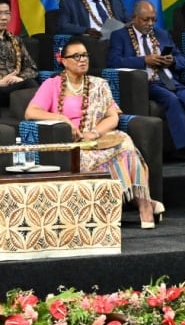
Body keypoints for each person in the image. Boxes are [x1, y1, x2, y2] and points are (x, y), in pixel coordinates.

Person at [25, 38, 163, 229]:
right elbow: (31, 112)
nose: (82, 60)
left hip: (96, 139)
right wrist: (61, 119)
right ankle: (142, 203)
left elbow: (112, 117)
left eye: (85, 55)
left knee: (125, 143)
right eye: (76, 56)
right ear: (63, 61)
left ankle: (144, 204)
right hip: (72, 143)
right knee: (111, 154)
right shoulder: (52, 84)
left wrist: (95, 133)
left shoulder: (99, 84)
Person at [107, 0, 185, 154]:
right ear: (135, 18)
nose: (150, 23)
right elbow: (113, 62)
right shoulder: (120, 36)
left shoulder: (162, 34)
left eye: (153, 19)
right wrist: (144, 60)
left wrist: (172, 61)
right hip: (148, 83)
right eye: (146, 19)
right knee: (172, 100)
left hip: (170, 79)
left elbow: (182, 59)